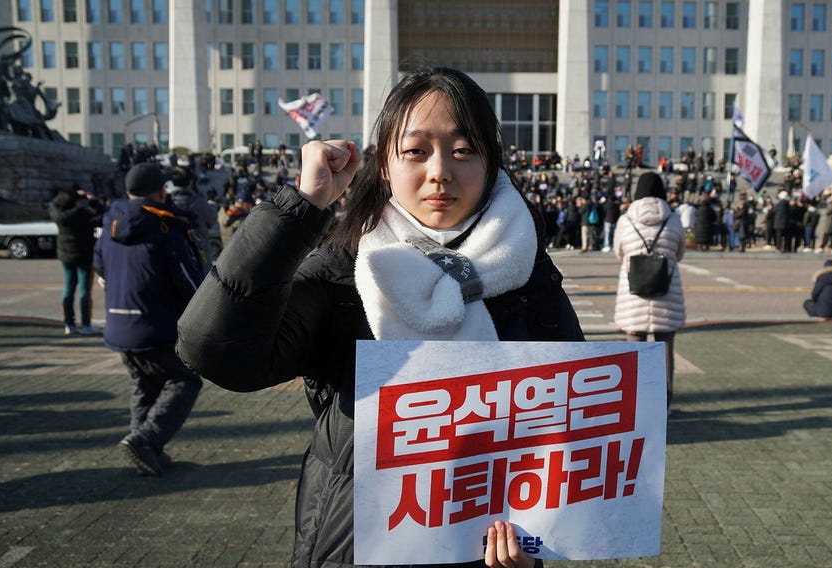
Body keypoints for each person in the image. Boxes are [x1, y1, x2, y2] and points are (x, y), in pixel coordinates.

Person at [175, 67, 584, 568]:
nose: (440, 171)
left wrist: (534, 550)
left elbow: (569, 434)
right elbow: (215, 350)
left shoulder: (530, 277)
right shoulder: (344, 272)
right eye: (416, 151)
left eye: (463, 150)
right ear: (385, 165)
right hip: (358, 546)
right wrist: (301, 209)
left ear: (492, 162)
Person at [94, 163, 205, 476]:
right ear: (161, 191)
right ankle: (146, 439)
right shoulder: (165, 228)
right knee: (185, 380)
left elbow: (100, 268)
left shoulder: (109, 224)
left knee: (143, 383)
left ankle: (146, 448)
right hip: (158, 325)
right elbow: (189, 282)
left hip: (119, 325)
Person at [612, 172, 685, 416]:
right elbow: (679, 252)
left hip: (634, 292)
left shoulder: (626, 220)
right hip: (666, 290)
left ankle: (637, 405)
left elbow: (618, 252)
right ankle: (665, 404)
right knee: (665, 350)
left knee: (635, 351)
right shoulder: (673, 218)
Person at [49, 186, 104, 335]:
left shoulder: (59, 215)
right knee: (85, 292)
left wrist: (69, 195)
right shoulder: (83, 214)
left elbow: (53, 204)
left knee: (68, 289)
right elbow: (101, 217)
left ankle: (69, 324)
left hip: (66, 256)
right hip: (84, 256)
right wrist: (92, 200)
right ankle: (86, 324)